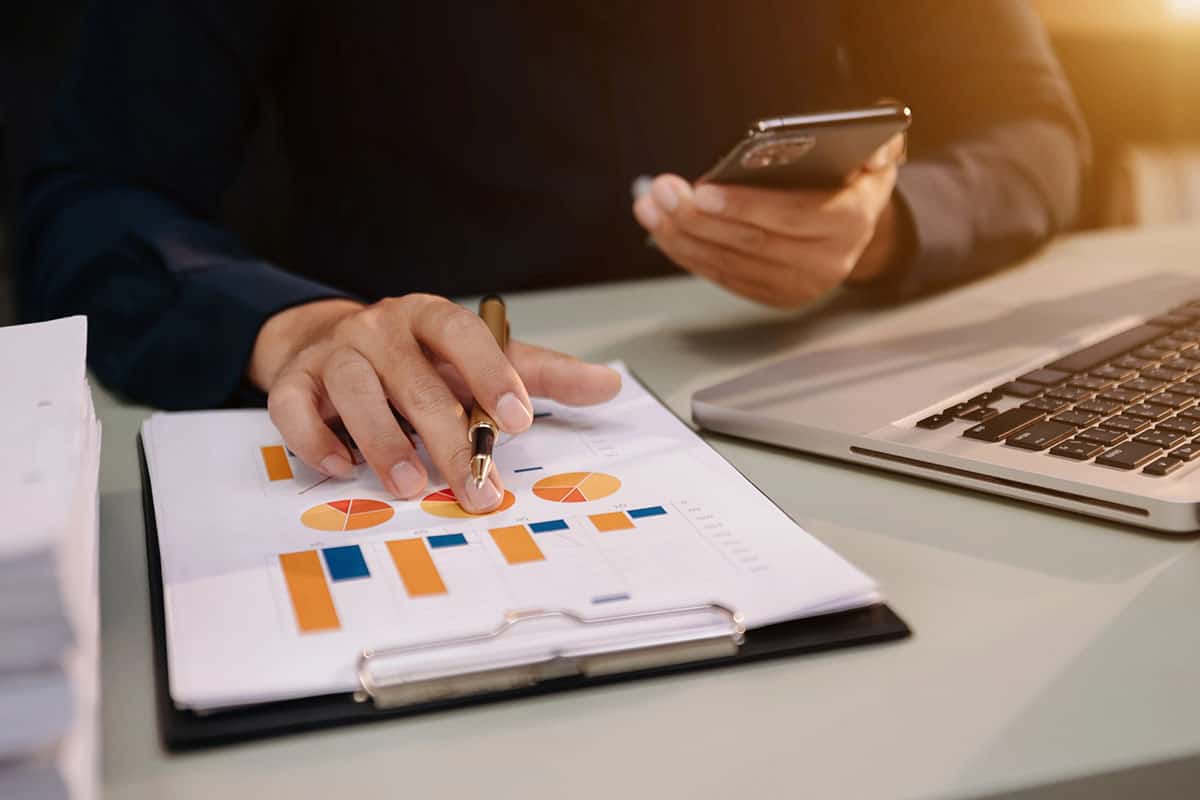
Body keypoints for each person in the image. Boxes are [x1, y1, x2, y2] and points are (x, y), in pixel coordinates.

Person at [17, 1, 1088, 513]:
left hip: (805, 412)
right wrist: (297, 325)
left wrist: (882, 226)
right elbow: (89, 198)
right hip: (414, 425)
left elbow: (1037, 132)